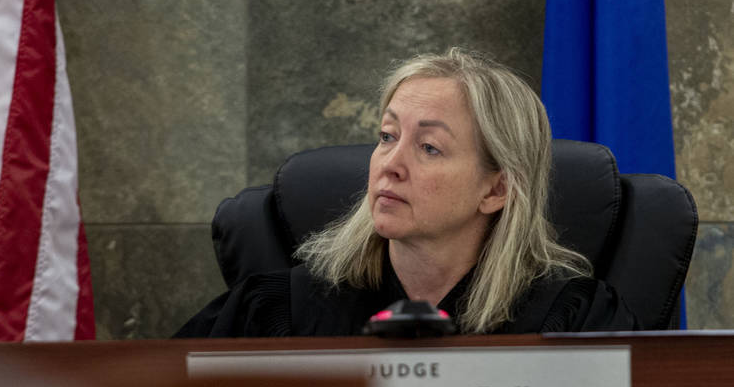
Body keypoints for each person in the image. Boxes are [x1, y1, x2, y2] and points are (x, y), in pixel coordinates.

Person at [177, 48, 639, 337]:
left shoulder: (576, 319)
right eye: (386, 136)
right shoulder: (279, 309)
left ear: (496, 188)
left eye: (430, 148)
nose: (390, 165)